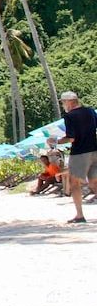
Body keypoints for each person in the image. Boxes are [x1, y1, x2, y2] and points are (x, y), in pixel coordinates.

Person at [48, 91, 97, 224]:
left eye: (63, 102)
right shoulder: (91, 111)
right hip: (94, 151)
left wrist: (55, 141)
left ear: (69, 102)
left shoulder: (69, 116)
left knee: (75, 183)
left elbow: (71, 138)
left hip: (79, 153)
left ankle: (80, 215)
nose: (63, 105)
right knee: (94, 183)